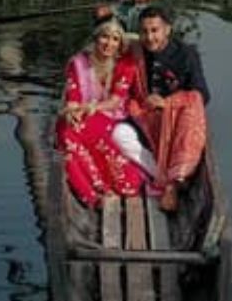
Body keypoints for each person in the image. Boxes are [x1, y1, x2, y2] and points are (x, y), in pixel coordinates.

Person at [55, 18, 156, 208]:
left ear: (120, 44)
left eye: (115, 39)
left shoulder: (125, 65)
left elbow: (115, 101)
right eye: (104, 37)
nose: (109, 43)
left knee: (73, 136)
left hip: (110, 114)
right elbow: (73, 95)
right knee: (66, 131)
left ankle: (106, 188)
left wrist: (92, 108)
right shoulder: (78, 62)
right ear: (96, 38)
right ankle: (93, 195)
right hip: (82, 114)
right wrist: (72, 111)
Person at [126, 6, 209, 212]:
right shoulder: (134, 52)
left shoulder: (186, 54)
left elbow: (202, 94)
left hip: (175, 119)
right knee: (118, 134)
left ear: (167, 30)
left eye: (155, 30)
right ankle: (159, 175)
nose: (150, 37)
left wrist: (167, 103)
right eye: (144, 31)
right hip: (144, 117)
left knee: (193, 109)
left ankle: (171, 182)